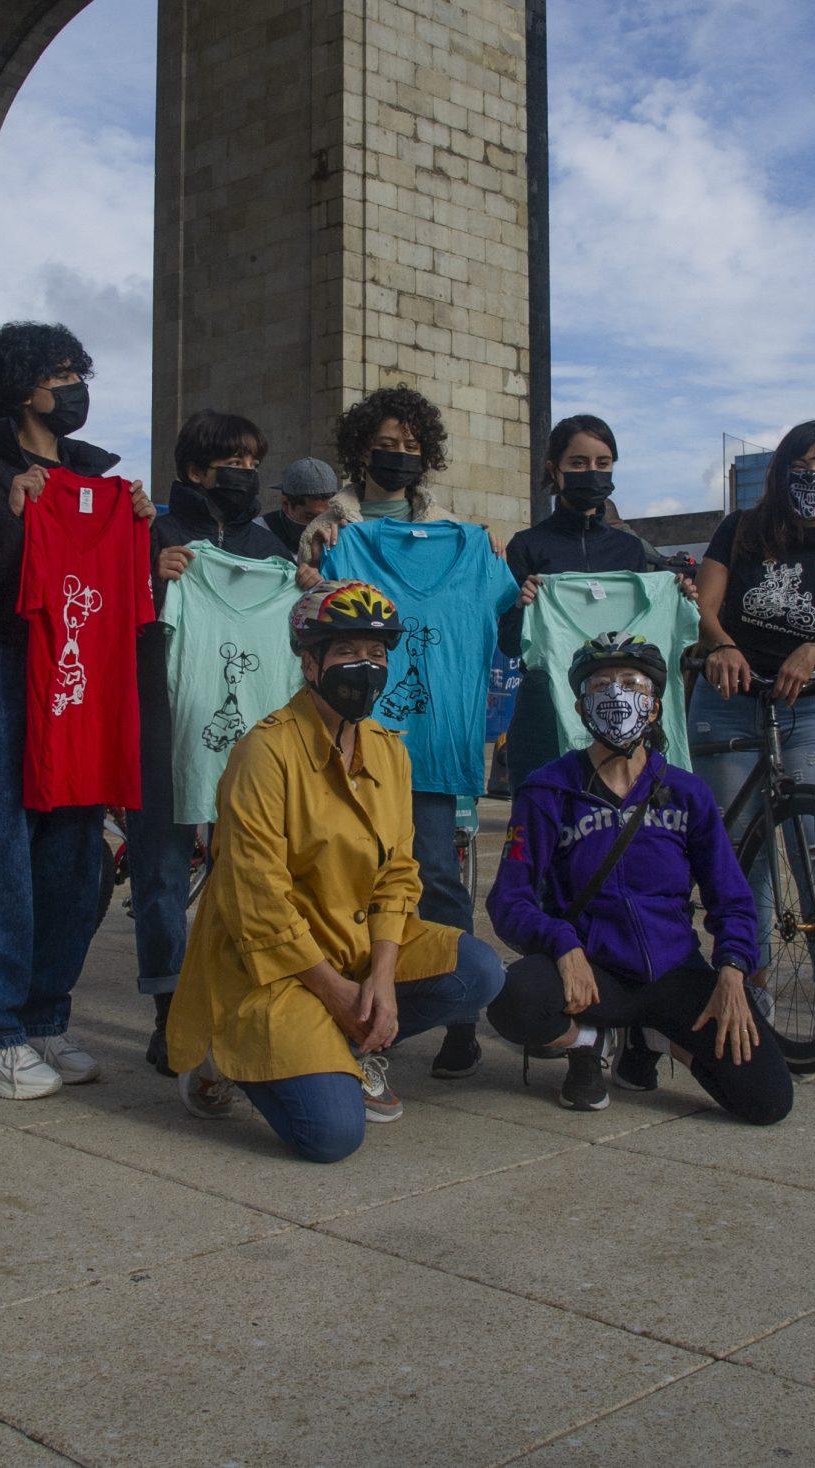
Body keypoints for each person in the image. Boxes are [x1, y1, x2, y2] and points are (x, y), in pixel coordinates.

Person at [167, 581, 506, 1162]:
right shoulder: (263, 754)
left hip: (351, 949)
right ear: (309, 660)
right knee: (331, 1137)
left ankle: (346, 1044)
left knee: (478, 970)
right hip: (270, 965)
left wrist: (379, 978)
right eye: (348, 651)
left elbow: (399, 875)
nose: (366, 667)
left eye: (377, 655)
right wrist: (337, 992)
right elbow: (259, 901)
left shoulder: (388, 750)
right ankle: (222, 1056)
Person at [0, 321, 155, 1100]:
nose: (74, 388)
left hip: (79, 676)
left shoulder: (103, 486)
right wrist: (11, 518)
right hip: (0, 673)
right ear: (23, 388)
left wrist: (145, 538)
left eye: (76, 372)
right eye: (60, 374)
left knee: (74, 857)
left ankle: (45, 1015)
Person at [485, 633, 791, 1122]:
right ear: (582, 706)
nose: (617, 694)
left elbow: (731, 896)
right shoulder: (548, 789)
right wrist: (562, 945)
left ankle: (657, 1037)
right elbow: (509, 900)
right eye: (601, 684)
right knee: (513, 1000)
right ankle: (589, 1041)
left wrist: (733, 969)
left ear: (654, 706)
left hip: (673, 970)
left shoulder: (686, 793)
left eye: (632, 683)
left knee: (767, 1099)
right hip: (593, 969)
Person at [305, 386, 516, 1083]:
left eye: (409, 447)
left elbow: (511, 614)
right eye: (384, 445)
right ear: (360, 450)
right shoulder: (339, 536)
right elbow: (305, 609)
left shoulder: (471, 544)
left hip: (433, 752)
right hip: (355, 746)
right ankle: (358, 1009)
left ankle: (460, 1023)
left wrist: (511, 570)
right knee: (353, 881)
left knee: (440, 883)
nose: (397, 457)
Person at [691, 420, 815, 1058]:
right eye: (803, 468)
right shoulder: (740, 529)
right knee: (744, 853)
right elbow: (706, 610)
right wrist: (720, 647)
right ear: (779, 474)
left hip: (808, 711)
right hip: (729, 706)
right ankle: (751, 984)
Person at [132, 410, 296, 1073]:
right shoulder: (155, 536)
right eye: (235, 462)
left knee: (247, 874)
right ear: (195, 470)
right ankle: (168, 1009)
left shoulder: (272, 557)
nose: (247, 475)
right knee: (162, 878)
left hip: (249, 745)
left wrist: (307, 588)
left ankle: (234, 995)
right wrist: (150, 579)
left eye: (256, 464)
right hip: (160, 729)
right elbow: (108, 612)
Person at [499, 414, 668, 784]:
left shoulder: (630, 551)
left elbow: (644, 639)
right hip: (544, 713)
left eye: (602, 463)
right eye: (578, 463)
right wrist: (521, 606)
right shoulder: (527, 546)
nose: (592, 471)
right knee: (543, 824)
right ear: (553, 470)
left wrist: (679, 596)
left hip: (617, 710)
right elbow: (510, 643)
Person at [265, 457, 339, 559]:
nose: (319, 524)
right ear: (285, 504)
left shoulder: (338, 530)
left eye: (326, 516)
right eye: (310, 517)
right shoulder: (259, 534)